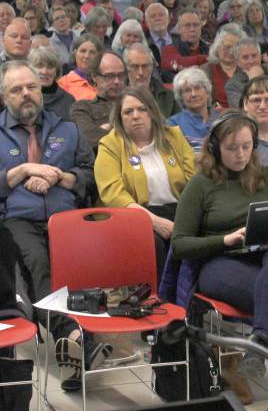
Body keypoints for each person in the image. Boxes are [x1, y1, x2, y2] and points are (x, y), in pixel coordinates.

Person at [172, 112, 268, 411]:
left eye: (246, 147)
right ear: (214, 147)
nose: (240, 155)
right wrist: (225, 239)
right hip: (223, 263)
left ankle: (261, 339)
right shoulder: (201, 186)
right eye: (231, 147)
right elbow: (180, 244)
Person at [0, 60, 96, 390]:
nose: (26, 94)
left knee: (87, 268)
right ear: (2, 95)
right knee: (37, 265)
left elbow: (91, 178)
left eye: (32, 87)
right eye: (17, 89)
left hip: (67, 219)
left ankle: (76, 343)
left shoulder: (67, 128)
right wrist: (19, 173)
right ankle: (73, 335)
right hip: (18, 221)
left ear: (42, 90)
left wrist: (62, 178)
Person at [96, 84, 196, 274]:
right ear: (119, 118)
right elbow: (113, 194)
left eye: (142, 109)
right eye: (128, 112)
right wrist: (154, 221)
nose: (135, 116)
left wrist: (188, 220)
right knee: (152, 244)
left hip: (180, 210)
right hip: (136, 215)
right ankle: (157, 299)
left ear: (152, 111)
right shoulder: (110, 144)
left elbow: (195, 181)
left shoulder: (173, 136)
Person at [71, 51, 127, 150]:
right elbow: (90, 139)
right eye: (110, 76)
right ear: (95, 77)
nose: (117, 81)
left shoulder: (136, 103)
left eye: (121, 75)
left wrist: (108, 128)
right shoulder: (82, 108)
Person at [167, 67, 220, 154]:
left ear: (207, 92)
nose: (193, 94)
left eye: (197, 88)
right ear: (181, 97)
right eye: (187, 90)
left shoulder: (222, 119)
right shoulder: (173, 124)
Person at [123, 42, 179, 118]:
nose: (141, 73)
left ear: (152, 67)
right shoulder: (116, 96)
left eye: (145, 66)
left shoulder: (169, 97)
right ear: (126, 68)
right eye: (135, 67)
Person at [29, 45, 75, 121]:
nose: (44, 71)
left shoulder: (69, 100)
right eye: (39, 66)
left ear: (56, 71)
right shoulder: (25, 98)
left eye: (50, 67)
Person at [57, 35, 101, 102]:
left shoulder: (106, 79)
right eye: (83, 51)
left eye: (92, 52)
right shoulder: (63, 83)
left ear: (99, 56)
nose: (87, 56)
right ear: (75, 53)